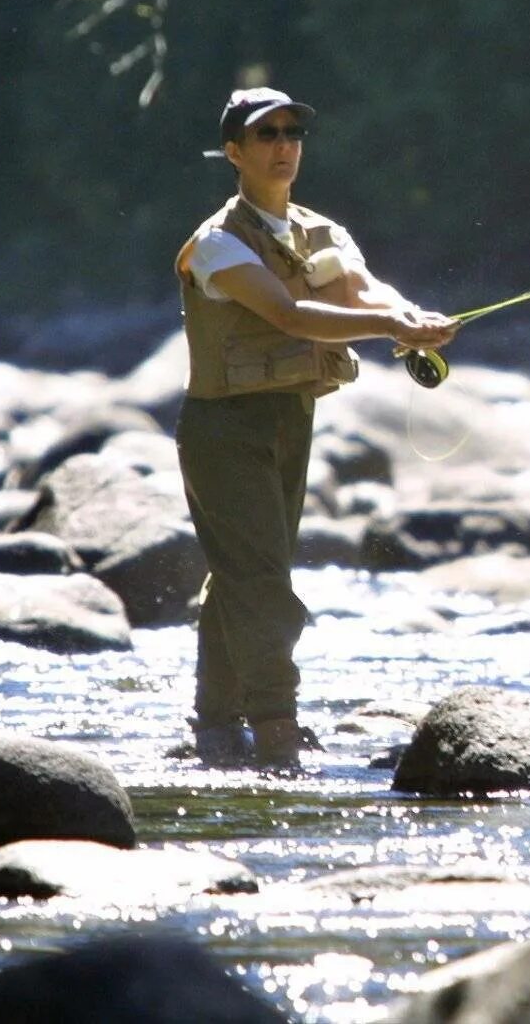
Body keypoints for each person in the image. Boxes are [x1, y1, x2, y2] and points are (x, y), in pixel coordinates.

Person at [173, 87, 456, 768]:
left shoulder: (323, 232)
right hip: (223, 431)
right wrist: (392, 327)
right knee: (262, 580)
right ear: (234, 153)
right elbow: (291, 314)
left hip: (290, 422)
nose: (283, 144)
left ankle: (214, 723)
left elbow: (362, 289)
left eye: (293, 131)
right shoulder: (217, 245)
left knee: (241, 574)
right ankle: (275, 727)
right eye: (266, 133)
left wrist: (411, 316)